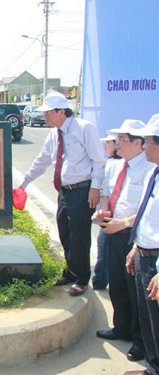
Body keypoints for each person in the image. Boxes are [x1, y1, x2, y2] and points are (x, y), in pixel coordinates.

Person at [17, 91, 105, 296]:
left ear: (61, 111)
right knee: (65, 232)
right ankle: (70, 271)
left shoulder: (84, 128)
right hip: (64, 191)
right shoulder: (53, 134)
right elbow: (42, 161)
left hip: (82, 190)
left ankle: (81, 278)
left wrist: (96, 188)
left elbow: (98, 160)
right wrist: (23, 184)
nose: (45, 117)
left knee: (79, 235)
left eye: (48, 113)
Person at [93, 119, 154, 363]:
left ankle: (139, 341)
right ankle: (121, 327)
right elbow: (107, 194)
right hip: (112, 231)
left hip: (132, 234)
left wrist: (124, 223)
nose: (117, 144)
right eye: (116, 139)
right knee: (116, 284)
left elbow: (144, 209)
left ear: (139, 143)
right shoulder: (115, 166)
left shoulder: (149, 169)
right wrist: (103, 213)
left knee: (135, 291)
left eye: (123, 140)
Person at [124, 116, 159, 375]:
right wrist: (137, 247)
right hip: (144, 255)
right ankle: (152, 367)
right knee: (148, 320)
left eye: (147, 142)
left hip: (156, 262)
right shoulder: (154, 173)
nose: (144, 147)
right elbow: (148, 217)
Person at [92, 134, 122, 290]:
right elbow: (106, 193)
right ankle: (100, 280)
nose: (106, 146)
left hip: (122, 221)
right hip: (109, 218)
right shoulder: (110, 163)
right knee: (103, 247)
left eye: (108, 143)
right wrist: (104, 214)